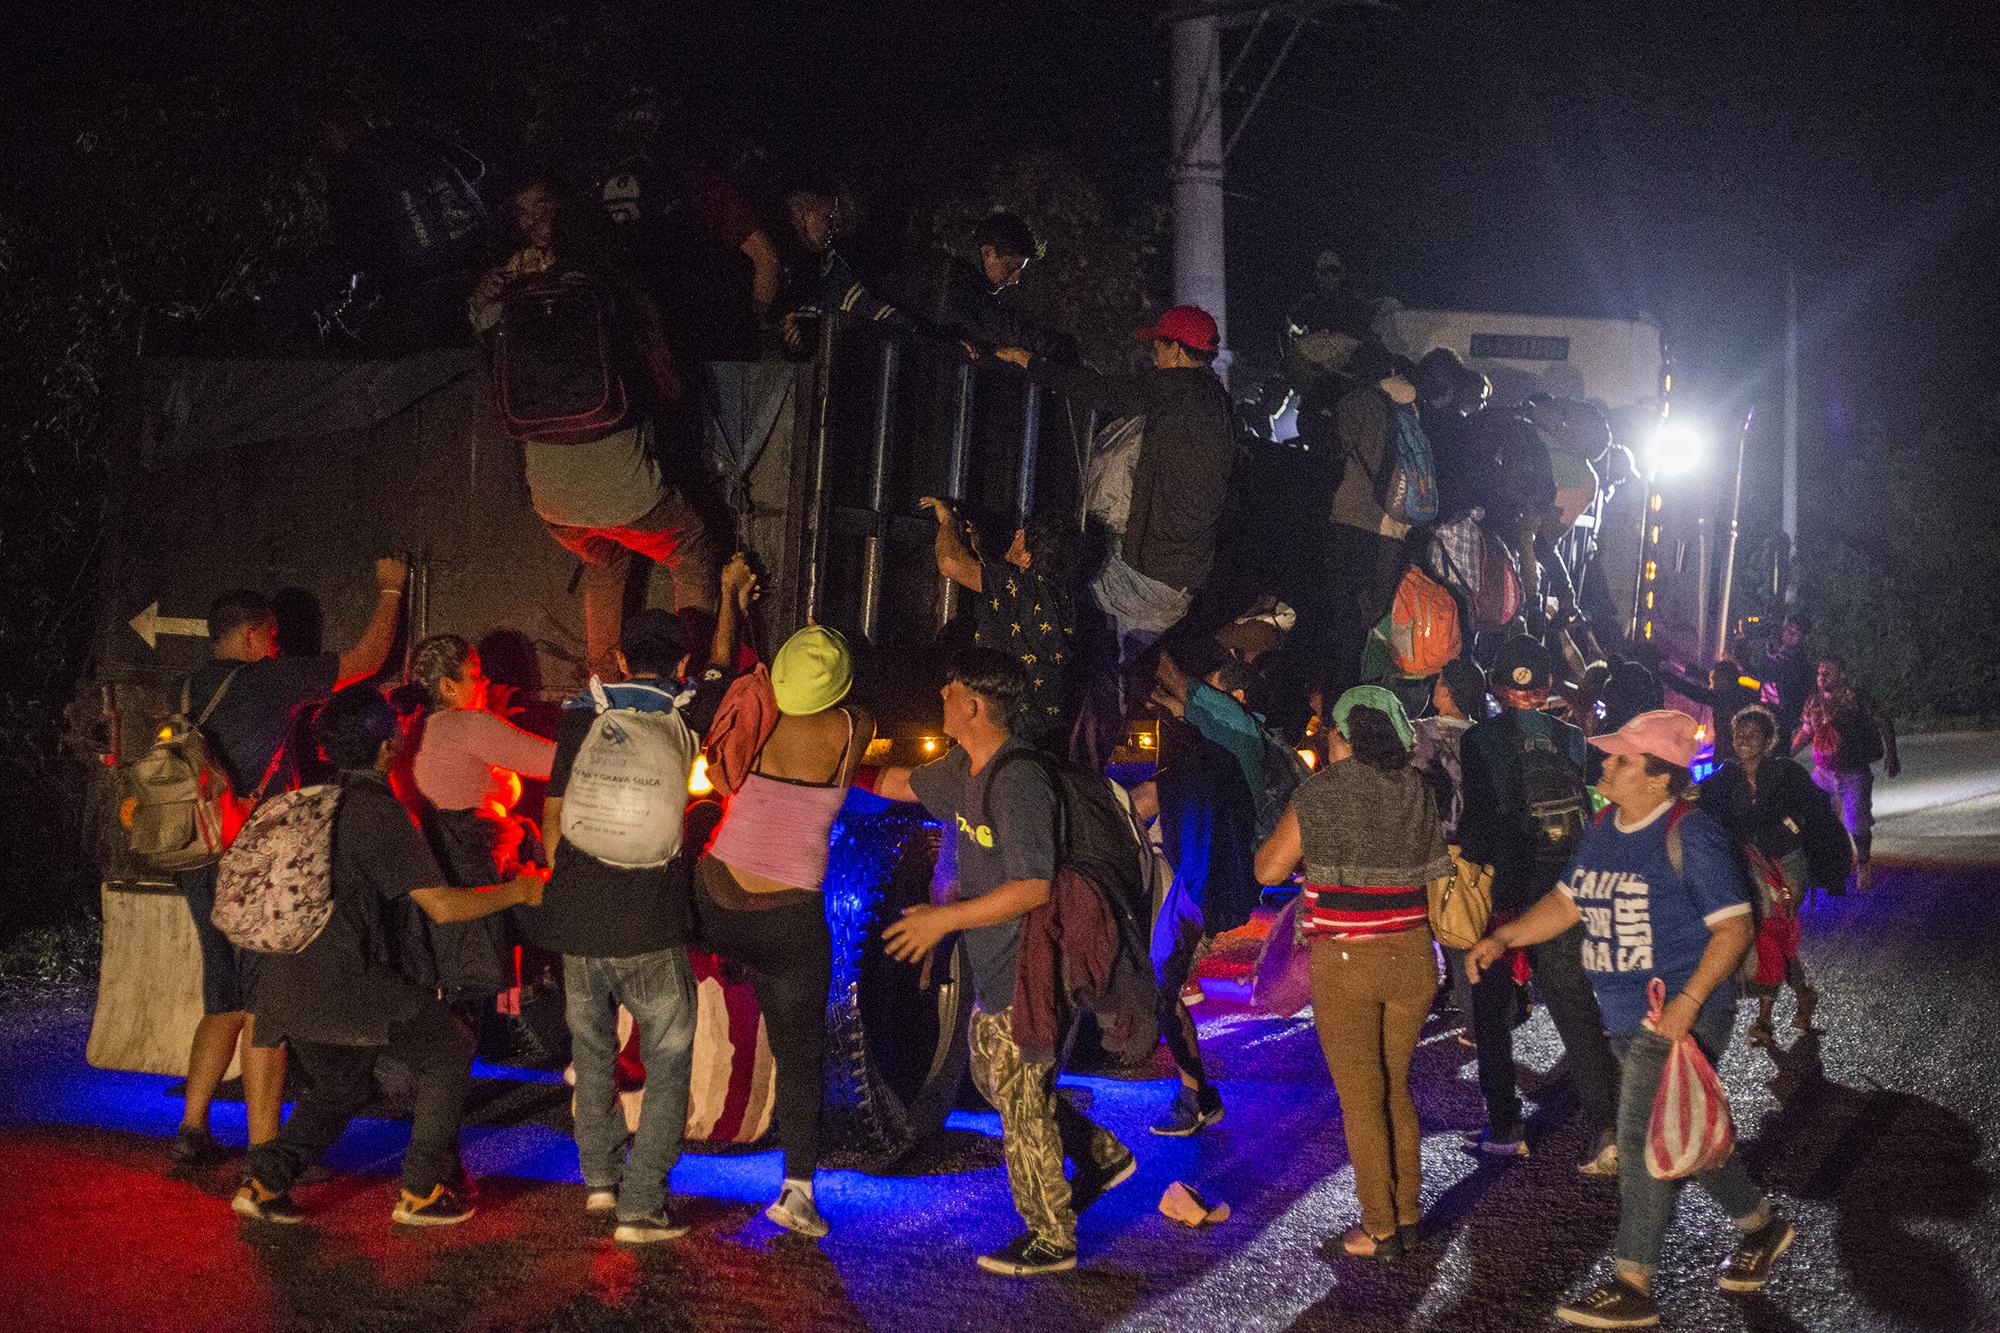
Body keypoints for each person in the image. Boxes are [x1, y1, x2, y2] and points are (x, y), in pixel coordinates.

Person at [1468, 710, 1795, 1328]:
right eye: (1610, 755)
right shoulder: (1602, 827)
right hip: (1623, 1015)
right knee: (1681, 1127)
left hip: (1675, 1013)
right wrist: (1505, 937)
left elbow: (1734, 929)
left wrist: (1687, 1004)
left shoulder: (1689, 833)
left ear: (1660, 776)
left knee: (1642, 1137)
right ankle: (1761, 1227)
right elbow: (1567, 903)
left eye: (1621, 758)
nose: (1606, 765)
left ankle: (1633, 1281)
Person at [232, 685, 546, 1227]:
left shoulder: (309, 801)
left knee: (342, 1083)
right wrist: (520, 891)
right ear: (389, 746)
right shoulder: (376, 813)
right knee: (451, 1043)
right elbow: (442, 908)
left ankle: (264, 1181)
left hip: (283, 979)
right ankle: (423, 1189)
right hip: (342, 979)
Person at [877, 649, 1135, 1277]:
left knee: (1019, 1098)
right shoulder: (963, 767)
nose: (940, 696)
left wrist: (942, 919)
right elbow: (895, 784)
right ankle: (1099, 1152)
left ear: (974, 705)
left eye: (950, 690)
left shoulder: (1018, 779)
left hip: (1031, 965)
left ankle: (1050, 1236)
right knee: (1000, 1083)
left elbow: (1034, 888)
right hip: (994, 969)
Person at [525, 556, 755, 1244]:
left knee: (592, 1054)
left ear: (621, 656)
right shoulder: (690, 706)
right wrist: (729, 593)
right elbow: (723, 664)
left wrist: (562, 882)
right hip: (649, 918)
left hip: (577, 917)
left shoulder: (582, 712)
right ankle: (642, 1203)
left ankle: (599, 1181)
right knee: (668, 1059)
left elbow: (553, 816)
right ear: (679, 660)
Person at [168, 557, 407, 1169]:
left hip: (198, 855)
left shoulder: (192, 686)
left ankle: (192, 1128)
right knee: (263, 1006)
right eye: (271, 639)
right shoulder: (267, 682)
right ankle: (264, 1148)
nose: (275, 649)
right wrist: (390, 587)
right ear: (252, 635)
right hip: (252, 863)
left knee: (221, 994)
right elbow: (365, 661)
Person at [470, 172, 720, 679]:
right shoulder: (617, 293)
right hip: (629, 491)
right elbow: (669, 383)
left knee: (603, 555)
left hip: (551, 503)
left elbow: (480, 322)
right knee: (692, 544)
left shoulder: (516, 300)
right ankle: (691, 675)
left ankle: (602, 683)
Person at [1254, 686, 1451, 1259]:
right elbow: (1434, 870)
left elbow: (1268, 866)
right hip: (1414, 955)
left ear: (1343, 735)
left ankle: (1379, 1227)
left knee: (1361, 1099)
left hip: (1347, 961)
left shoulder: (1319, 794)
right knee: (1395, 1087)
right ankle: (1408, 1214)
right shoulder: (1417, 789)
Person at [996, 306, 1235, 770]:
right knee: (1109, 674)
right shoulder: (1212, 399)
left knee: (1057, 593)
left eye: (1157, 346)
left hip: (1149, 574)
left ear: (1176, 350)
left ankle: (1070, 765)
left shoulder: (1180, 390)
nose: (1153, 355)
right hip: (1175, 578)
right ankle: (1083, 766)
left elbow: (1102, 392)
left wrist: (1031, 364)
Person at [694, 624, 875, 1237]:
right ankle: (797, 1193)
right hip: (789, 922)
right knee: (800, 1057)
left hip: (717, 900)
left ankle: (634, 1175)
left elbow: (726, 767)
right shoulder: (856, 727)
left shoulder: (762, 712)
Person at [1456, 637, 1620, 1170]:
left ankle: (1505, 1124)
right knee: (1575, 1008)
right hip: (1562, 890)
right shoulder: (1573, 739)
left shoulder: (1480, 740)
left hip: (1505, 892)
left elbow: (1478, 823)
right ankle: (1608, 1128)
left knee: (1490, 1006)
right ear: (1547, 687)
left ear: (1498, 688)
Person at [1135, 644, 1261, 1136]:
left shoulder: (1235, 733)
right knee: (1161, 983)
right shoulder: (1219, 750)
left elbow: (1144, 801)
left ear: (1235, 698)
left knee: (1161, 987)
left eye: (1212, 695)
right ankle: (1197, 1095)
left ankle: (1197, 1097)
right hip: (1203, 882)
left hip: (1208, 887)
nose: (1188, 708)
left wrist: (1145, 637)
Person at [1697, 705, 1851, 1044]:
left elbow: (1813, 811)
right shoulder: (1725, 779)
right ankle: (1804, 994)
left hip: (1786, 864)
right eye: (1739, 735)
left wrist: (1785, 832)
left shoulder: (1787, 774)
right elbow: (1697, 805)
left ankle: (1764, 1020)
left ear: (1769, 740)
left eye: (1753, 735)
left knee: (1769, 928)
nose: (1744, 741)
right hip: (1746, 866)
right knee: (1771, 935)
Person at [919, 496, 1079, 750]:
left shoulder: (1019, 587)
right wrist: (979, 546)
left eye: (1021, 535)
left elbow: (949, 562)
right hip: (1046, 729)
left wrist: (948, 520)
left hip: (1010, 729)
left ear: (1028, 557)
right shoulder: (1062, 594)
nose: (1015, 535)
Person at [408, 635, 556, 881]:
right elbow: (551, 762)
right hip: (480, 869)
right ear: (448, 686)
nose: (486, 682)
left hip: (444, 869)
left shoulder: (418, 729)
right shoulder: (468, 725)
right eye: (475, 675)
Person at [1321, 343, 1421, 703]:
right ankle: (1375, 702)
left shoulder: (1356, 403)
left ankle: (1339, 707)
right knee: (1377, 618)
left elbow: (1334, 455)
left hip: (1355, 521)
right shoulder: (1408, 406)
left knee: (1344, 619)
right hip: (1395, 526)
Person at [1411, 657, 1488, 1042]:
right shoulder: (1485, 734)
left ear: (1445, 692)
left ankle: (1475, 1022)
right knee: (1463, 930)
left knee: (1431, 930)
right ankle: (1467, 1002)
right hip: (1473, 843)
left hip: (1431, 844)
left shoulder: (1422, 733)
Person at [1793, 655, 1898, 892]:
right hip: (1824, 772)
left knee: (1857, 826)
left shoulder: (1855, 698)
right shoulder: (1814, 701)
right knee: (1814, 817)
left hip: (1853, 772)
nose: (1821, 677)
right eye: (1819, 672)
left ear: (1842, 675)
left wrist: (1892, 754)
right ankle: (1827, 867)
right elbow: (1807, 731)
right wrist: (1785, 753)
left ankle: (1863, 862)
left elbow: (1883, 721)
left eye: (1827, 672)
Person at [1754, 613, 1817, 743]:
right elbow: (1759, 677)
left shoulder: (1803, 667)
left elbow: (1796, 698)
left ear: (1803, 637)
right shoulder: (1770, 654)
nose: (1790, 635)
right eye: (1788, 630)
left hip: (1782, 722)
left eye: (1796, 633)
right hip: (1761, 713)